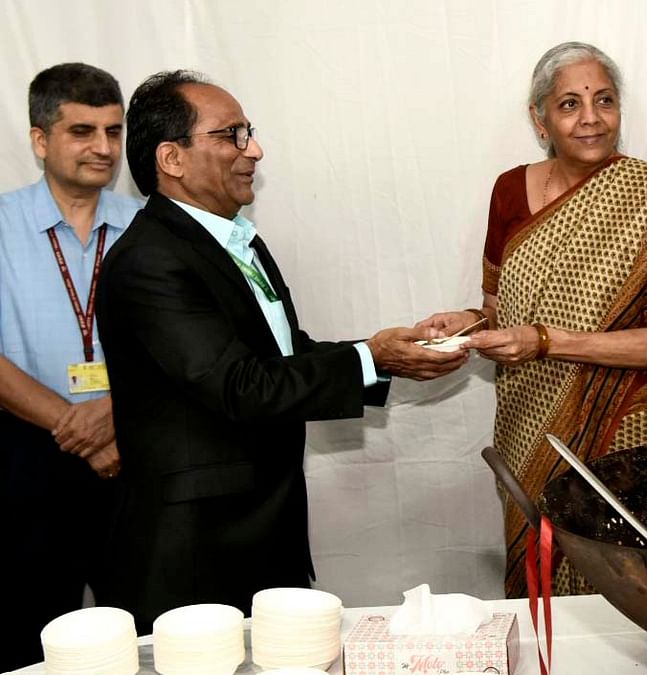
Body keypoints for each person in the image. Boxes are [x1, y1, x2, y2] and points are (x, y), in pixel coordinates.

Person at [94, 70, 468, 629]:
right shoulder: (150, 261)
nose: (255, 150)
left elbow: (284, 356)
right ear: (171, 158)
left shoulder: (236, 239)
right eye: (232, 135)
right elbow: (241, 387)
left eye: (250, 132)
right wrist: (374, 356)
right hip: (194, 553)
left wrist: (392, 355)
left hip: (261, 529)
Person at [420, 42, 647, 598]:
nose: (590, 118)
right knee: (551, 590)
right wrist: (468, 323)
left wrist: (544, 341)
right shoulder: (509, 190)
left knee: (637, 594)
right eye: (569, 104)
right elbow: (501, 309)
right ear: (539, 118)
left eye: (604, 101)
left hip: (642, 431)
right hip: (533, 423)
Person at [0, 62, 140, 671]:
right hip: (23, 465)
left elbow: (185, 351)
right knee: (26, 639)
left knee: (146, 635)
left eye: (114, 131)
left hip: (136, 456)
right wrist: (76, 429)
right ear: (39, 140)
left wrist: (113, 415)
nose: (104, 148)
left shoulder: (148, 227)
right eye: (83, 131)